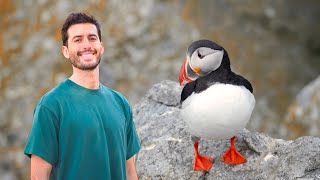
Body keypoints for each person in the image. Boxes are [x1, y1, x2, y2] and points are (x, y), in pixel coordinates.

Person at [24, 12, 141, 180]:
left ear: (101, 46)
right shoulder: (50, 105)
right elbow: (38, 177)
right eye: (77, 40)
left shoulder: (120, 103)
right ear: (65, 51)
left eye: (92, 38)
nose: (86, 45)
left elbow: (130, 172)